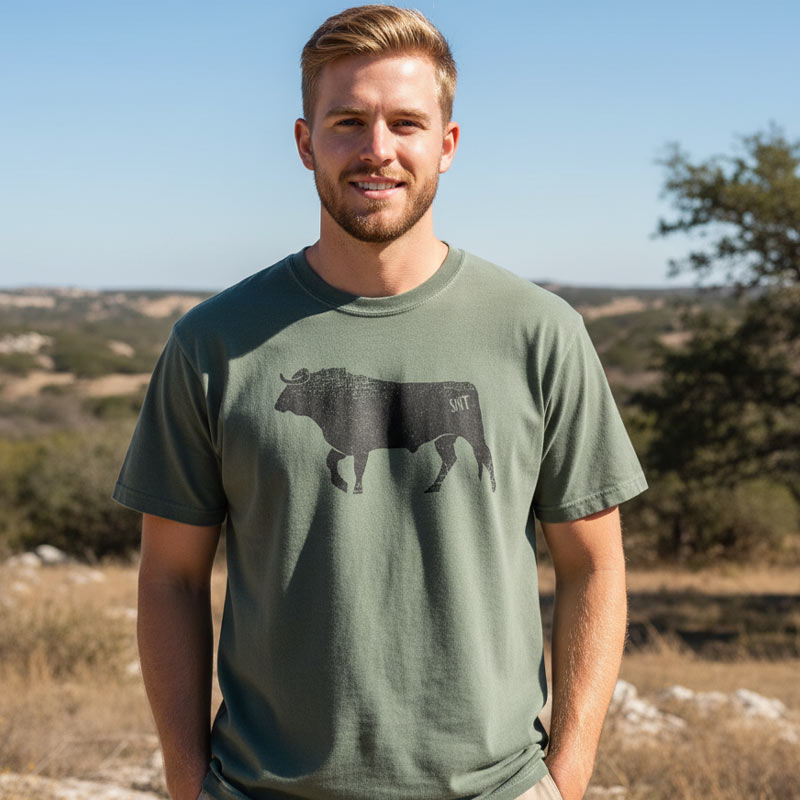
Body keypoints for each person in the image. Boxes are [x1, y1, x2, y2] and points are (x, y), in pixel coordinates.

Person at [113, 6, 647, 800]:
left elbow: (593, 564)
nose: (378, 150)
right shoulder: (214, 343)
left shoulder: (540, 333)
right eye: (348, 122)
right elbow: (171, 580)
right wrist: (189, 784)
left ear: (447, 144)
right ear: (305, 143)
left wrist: (564, 780)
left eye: (405, 122)